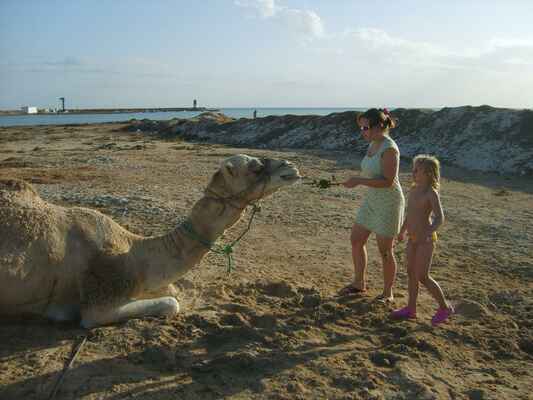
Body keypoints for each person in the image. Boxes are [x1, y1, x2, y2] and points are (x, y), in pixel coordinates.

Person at [341, 108, 405, 302]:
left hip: (389, 202)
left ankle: (388, 293)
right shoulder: (373, 144)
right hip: (372, 200)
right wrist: (357, 180)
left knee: (385, 251)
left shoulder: (389, 148)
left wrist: (359, 181)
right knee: (356, 240)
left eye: (366, 127)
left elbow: (388, 181)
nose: (362, 131)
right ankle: (359, 283)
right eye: (361, 127)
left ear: (379, 126)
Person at [391, 155, 454, 325]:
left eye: (417, 170)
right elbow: (409, 214)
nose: (413, 172)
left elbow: (440, 218)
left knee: (423, 276)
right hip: (412, 238)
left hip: (426, 240)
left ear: (428, 173)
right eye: (413, 169)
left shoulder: (430, 193)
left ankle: (444, 307)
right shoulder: (413, 189)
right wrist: (402, 231)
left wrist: (429, 231)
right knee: (411, 272)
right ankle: (411, 309)